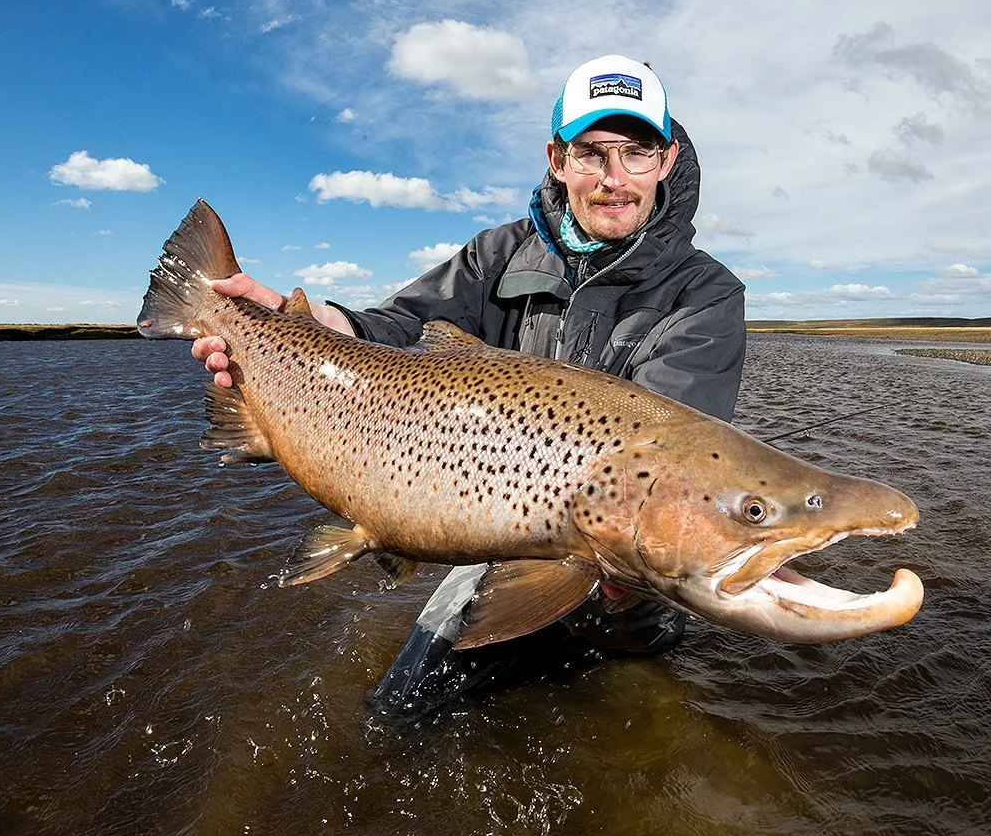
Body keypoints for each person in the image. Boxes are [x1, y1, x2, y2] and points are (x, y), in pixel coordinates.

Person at [192, 54, 747, 717]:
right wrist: (305, 323)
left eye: (636, 153)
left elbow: (673, 464)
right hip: (501, 539)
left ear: (667, 159)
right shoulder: (498, 253)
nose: (613, 179)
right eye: (592, 154)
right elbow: (396, 328)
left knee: (629, 712)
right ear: (557, 158)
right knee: (401, 714)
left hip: (629, 568)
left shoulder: (706, 294)